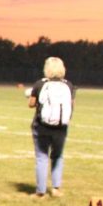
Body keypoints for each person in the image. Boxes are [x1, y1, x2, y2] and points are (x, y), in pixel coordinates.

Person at [27, 57, 74, 198]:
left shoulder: (40, 84)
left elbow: (31, 104)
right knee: (58, 156)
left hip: (41, 126)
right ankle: (56, 189)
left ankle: (40, 192)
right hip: (61, 127)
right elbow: (72, 106)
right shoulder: (69, 85)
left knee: (42, 157)